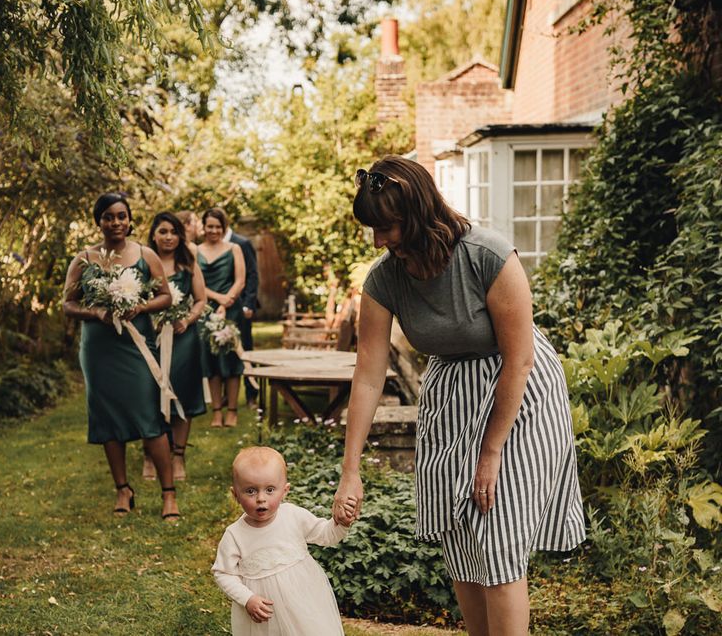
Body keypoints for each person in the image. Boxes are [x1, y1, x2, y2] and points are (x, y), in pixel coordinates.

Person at [331, 156, 585, 636]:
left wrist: (491, 453)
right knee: (464, 543)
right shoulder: (384, 279)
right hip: (451, 397)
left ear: (419, 212)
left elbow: (521, 359)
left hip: (519, 395)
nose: (378, 240)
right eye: (373, 229)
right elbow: (367, 376)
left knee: (497, 540)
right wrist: (351, 471)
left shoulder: (487, 255)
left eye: (386, 227)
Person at [63, 192, 180, 520]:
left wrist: (141, 305)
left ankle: (169, 494)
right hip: (99, 350)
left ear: (130, 220)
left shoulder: (145, 255)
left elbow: (166, 296)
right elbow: (68, 304)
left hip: (136, 347)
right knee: (107, 419)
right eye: (108, 217)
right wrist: (96, 312)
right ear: (98, 221)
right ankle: (123, 489)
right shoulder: (83, 259)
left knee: (150, 418)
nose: (115, 222)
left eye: (121, 216)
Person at [213, 446, 355, 635]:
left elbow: (325, 535)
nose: (261, 498)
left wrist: (340, 523)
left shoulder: (293, 516)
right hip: (264, 613)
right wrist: (247, 599)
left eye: (270, 489)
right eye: (250, 491)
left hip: (301, 600)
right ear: (236, 495)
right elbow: (223, 573)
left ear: (284, 490)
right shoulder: (235, 535)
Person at [141, 212, 208, 482]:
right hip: (150, 340)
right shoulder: (143, 264)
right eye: (163, 232)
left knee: (182, 394)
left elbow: (200, 300)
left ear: (180, 236)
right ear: (154, 235)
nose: (168, 237)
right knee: (148, 396)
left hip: (183, 339)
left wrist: (186, 319)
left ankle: (178, 455)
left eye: (173, 232)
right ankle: (149, 455)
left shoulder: (188, 262)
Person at [198, 207, 245, 427]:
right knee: (211, 362)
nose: (214, 230)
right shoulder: (195, 251)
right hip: (205, 310)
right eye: (210, 226)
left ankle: (233, 410)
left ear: (223, 228)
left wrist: (228, 300)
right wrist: (218, 299)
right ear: (203, 227)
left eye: (218, 226)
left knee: (232, 360)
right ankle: (217, 411)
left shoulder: (234, 248)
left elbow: (240, 279)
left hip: (231, 309)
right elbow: (195, 283)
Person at [225, 221, 260, 408]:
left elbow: (253, 274)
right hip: (220, 308)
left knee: (245, 350)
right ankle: (225, 397)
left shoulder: (242, 243)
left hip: (241, 308)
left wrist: (248, 305)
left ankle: (251, 394)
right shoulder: (208, 244)